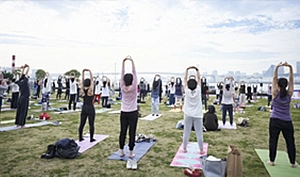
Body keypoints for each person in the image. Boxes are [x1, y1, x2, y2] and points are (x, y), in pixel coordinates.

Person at [268, 62, 297, 168]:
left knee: (273, 140)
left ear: (277, 85)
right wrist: (290, 67)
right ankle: (293, 162)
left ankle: (271, 160)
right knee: (290, 141)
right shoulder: (289, 93)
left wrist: (276, 67)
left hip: (275, 120)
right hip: (287, 121)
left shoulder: (275, 93)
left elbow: (274, 78)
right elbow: (291, 80)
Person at [119, 56, 138, 159]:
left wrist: (123, 63)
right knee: (132, 132)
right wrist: (132, 62)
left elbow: (122, 75)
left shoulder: (122, 87)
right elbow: (135, 74)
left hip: (124, 112)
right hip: (133, 112)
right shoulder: (134, 88)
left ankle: (121, 151)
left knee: (123, 131)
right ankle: (131, 153)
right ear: (132, 80)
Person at [182, 66, 204, 154]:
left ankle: (184, 148)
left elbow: (184, 78)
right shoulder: (198, 89)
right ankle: (201, 149)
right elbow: (199, 78)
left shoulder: (186, 90)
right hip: (198, 114)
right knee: (199, 133)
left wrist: (187, 70)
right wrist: (197, 70)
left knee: (186, 132)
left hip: (187, 113)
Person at [78, 69, 96, 142]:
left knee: (82, 123)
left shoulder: (82, 90)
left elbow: (82, 82)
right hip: (90, 108)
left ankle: (80, 137)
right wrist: (90, 72)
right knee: (91, 124)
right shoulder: (90, 91)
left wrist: (83, 73)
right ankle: (91, 138)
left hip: (84, 107)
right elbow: (92, 81)